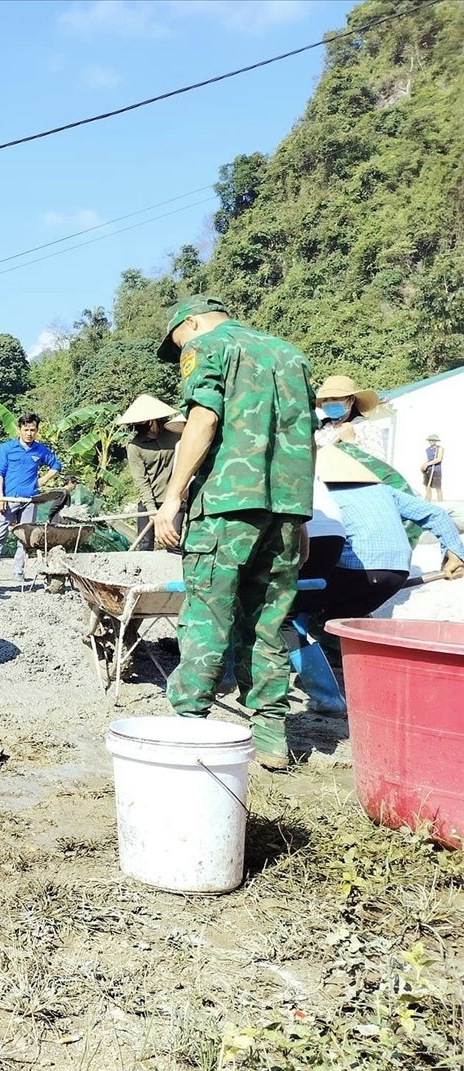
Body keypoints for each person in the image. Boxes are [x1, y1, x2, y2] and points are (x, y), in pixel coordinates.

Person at [152, 295, 315, 770]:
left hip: (226, 505)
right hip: (284, 509)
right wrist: (300, 518)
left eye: (179, 339)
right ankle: (271, 739)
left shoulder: (209, 346)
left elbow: (203, 419)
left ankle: (190, 728)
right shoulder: (291, 355)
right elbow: (305, 440)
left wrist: (173, 497)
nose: (181, 348)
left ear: (193, 321)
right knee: (268, 622)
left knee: (207, 615)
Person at [295, 445, 464, 630]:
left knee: (295, 613)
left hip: (355, 571)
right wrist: (456, 554)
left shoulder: (322, 495)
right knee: (343, 619)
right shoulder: (384, 491)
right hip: (397, 573)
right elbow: (436, 514)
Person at [0, 413, 64, 584]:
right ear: (19, 429)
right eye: (26, 429)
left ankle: (18, 571)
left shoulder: (40, 450)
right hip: (9, 499)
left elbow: (56, 465)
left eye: (32, 430)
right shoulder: (6, 448)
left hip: (29, 501)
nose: (29, 433)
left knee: (24, 538)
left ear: (37, 431)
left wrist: (42, 481)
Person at [117, 394, 185, 546]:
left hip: (174, 499)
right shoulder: (135, 447)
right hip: (150, 501)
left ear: (153, 421)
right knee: (145, 543)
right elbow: (141, 481)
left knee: (173, 542)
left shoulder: (175, 435)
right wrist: (152, 510)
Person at [313, 374, 387, 461]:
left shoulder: (366, 427)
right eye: (325, 400)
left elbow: (377, 464)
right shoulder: (320, 428)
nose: (329, 403)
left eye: (335, 398)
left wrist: (350, 443)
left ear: (351, 400)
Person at [422, 434, 444, 502]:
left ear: (435, 441)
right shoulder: (427, 449)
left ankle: (440, 503)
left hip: (436, 470)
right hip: (428, 470)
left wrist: (428, 464)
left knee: (438, 487)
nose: (431, 441)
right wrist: (423, 466)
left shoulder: (439, 448)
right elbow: (427, 459)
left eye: (432, 440)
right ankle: (428, 502)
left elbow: (439, 459)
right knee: (427, 487)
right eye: (430, 440)